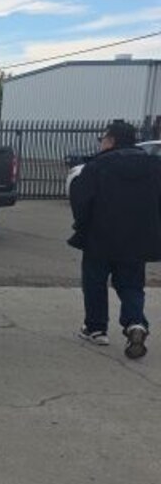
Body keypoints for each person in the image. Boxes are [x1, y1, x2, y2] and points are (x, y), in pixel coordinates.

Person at [68, 120, 161, 358]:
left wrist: (82, 225)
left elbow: (81, 200)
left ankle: (96, 328)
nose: (101, 143)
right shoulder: (154, 166)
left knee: (95, 281)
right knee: (131, 284)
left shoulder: (98, 166)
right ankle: (135, 322)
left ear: (111, 140)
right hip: (138, 238)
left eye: (103, 139)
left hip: (100, 236)